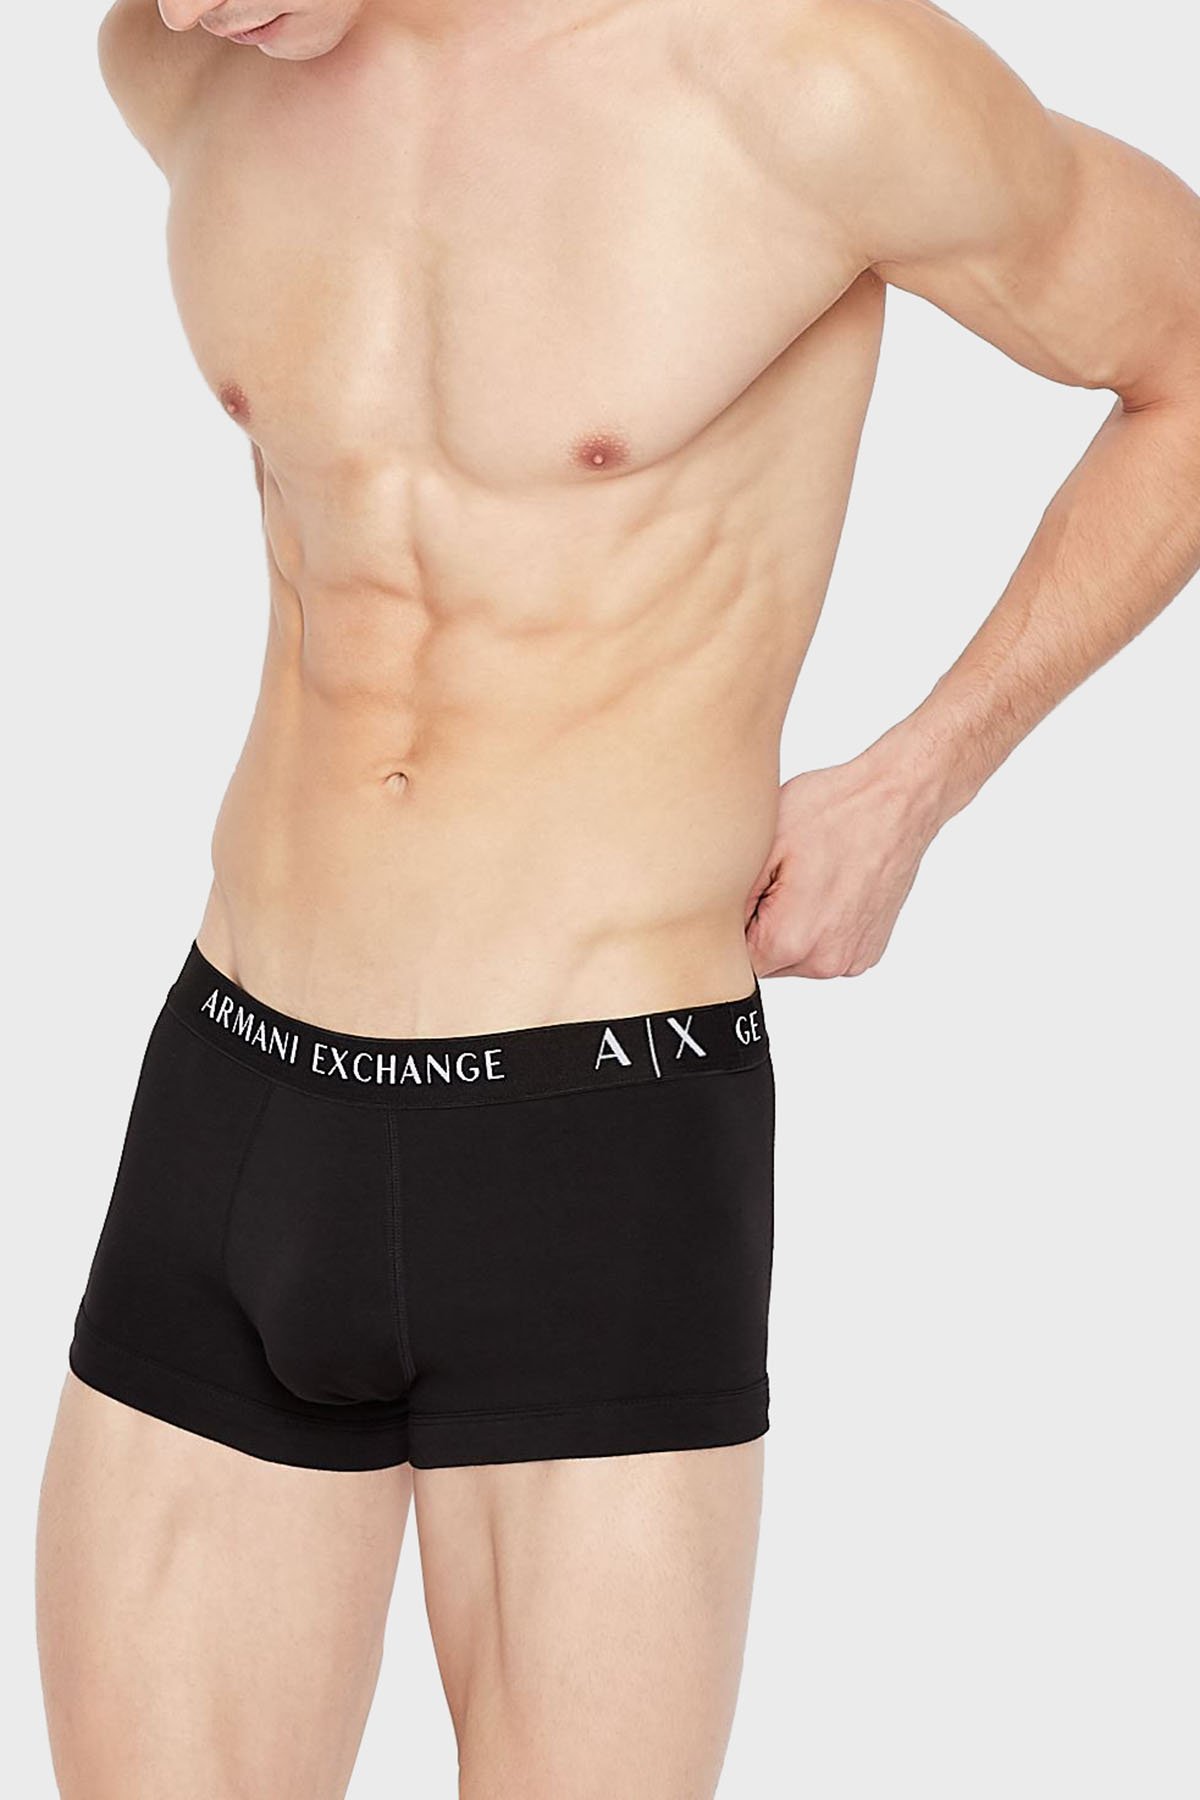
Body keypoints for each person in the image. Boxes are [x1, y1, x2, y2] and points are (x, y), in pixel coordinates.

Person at [36, 1, 1200, 1794]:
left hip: (592, 1137)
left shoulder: (807, 78)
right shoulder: (184, 57)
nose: (185, 4)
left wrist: (919, 779)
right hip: (235, 1100)